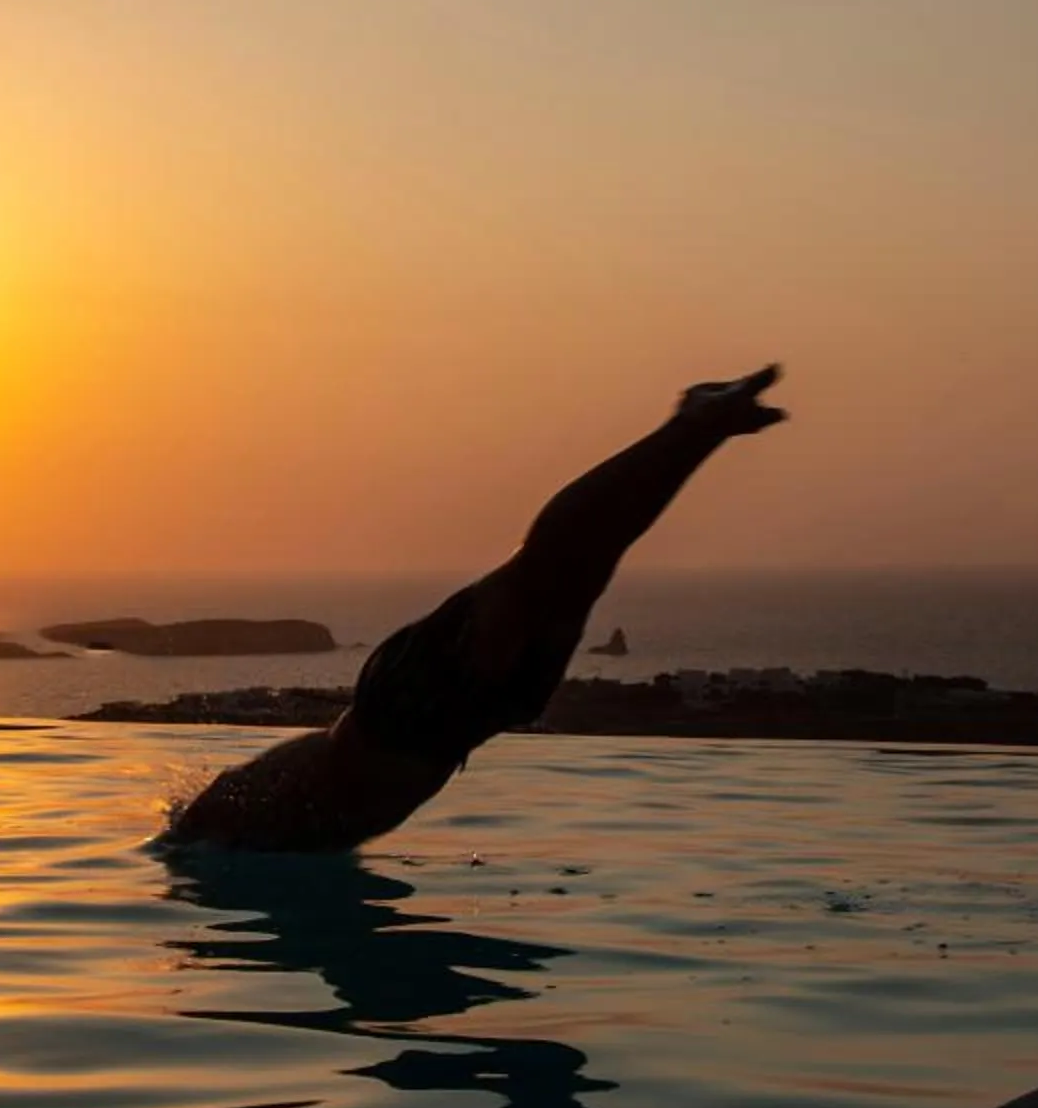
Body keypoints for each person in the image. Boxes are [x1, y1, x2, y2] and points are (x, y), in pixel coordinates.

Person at [163, 365, 788, 853]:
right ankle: (697, 429)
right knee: (572, 570)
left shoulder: (226, 838)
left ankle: (692, 426)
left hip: (414, 715)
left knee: (554, 567)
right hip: (441, 722)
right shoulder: (245, 831)